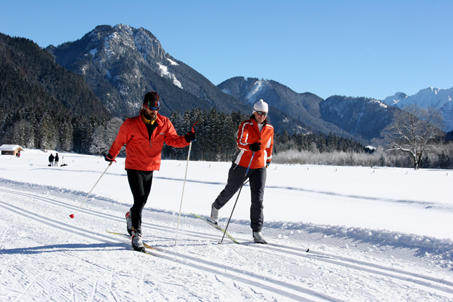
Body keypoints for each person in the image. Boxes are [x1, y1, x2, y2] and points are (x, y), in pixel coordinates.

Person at [105, 91, 196, 252]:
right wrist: (112, 154)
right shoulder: (131, 124)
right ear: (144, 106)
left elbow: (173, 140)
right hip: (134, 166)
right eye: (151, 106)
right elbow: (120, 141)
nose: (154, 110)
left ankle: (130, 215)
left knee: (143, 201)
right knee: (139, 198)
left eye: (157, 107)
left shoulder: (164, 123)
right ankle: (137, 234)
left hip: (151, 167)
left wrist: (186, 139)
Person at [210, 99, 274, 244]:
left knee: (258, 199)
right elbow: (240, 141)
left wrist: (268, 161)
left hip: (259, 167)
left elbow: (269, 146)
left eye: (264, 114)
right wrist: (250, 146)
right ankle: (215, 207)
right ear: (254, 112)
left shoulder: (269, 129)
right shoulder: (245, 125)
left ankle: (257, 231)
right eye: (259, 113)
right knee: (231, 189)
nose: (262, 116)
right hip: (242, 164)